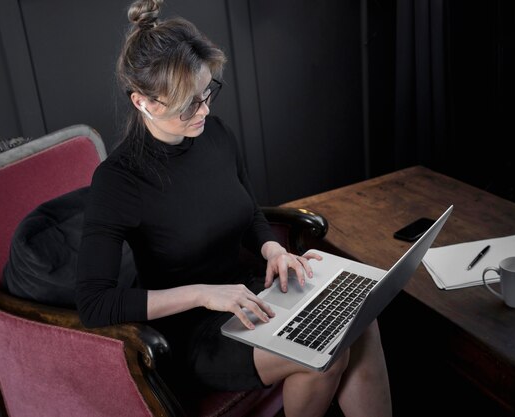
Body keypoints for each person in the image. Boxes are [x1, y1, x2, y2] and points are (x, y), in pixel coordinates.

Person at [75, 0, 392, 416]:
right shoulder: (117, 181)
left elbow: (249, 212)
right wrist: (204, 294)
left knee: (361, 322)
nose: (204, 110)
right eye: (189, 103)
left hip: (250, 292)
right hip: (193, 331)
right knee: (321, 354)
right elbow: (94, 305)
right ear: (143, 102)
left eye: (207, 93)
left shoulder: (214, 134)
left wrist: (273, 250)